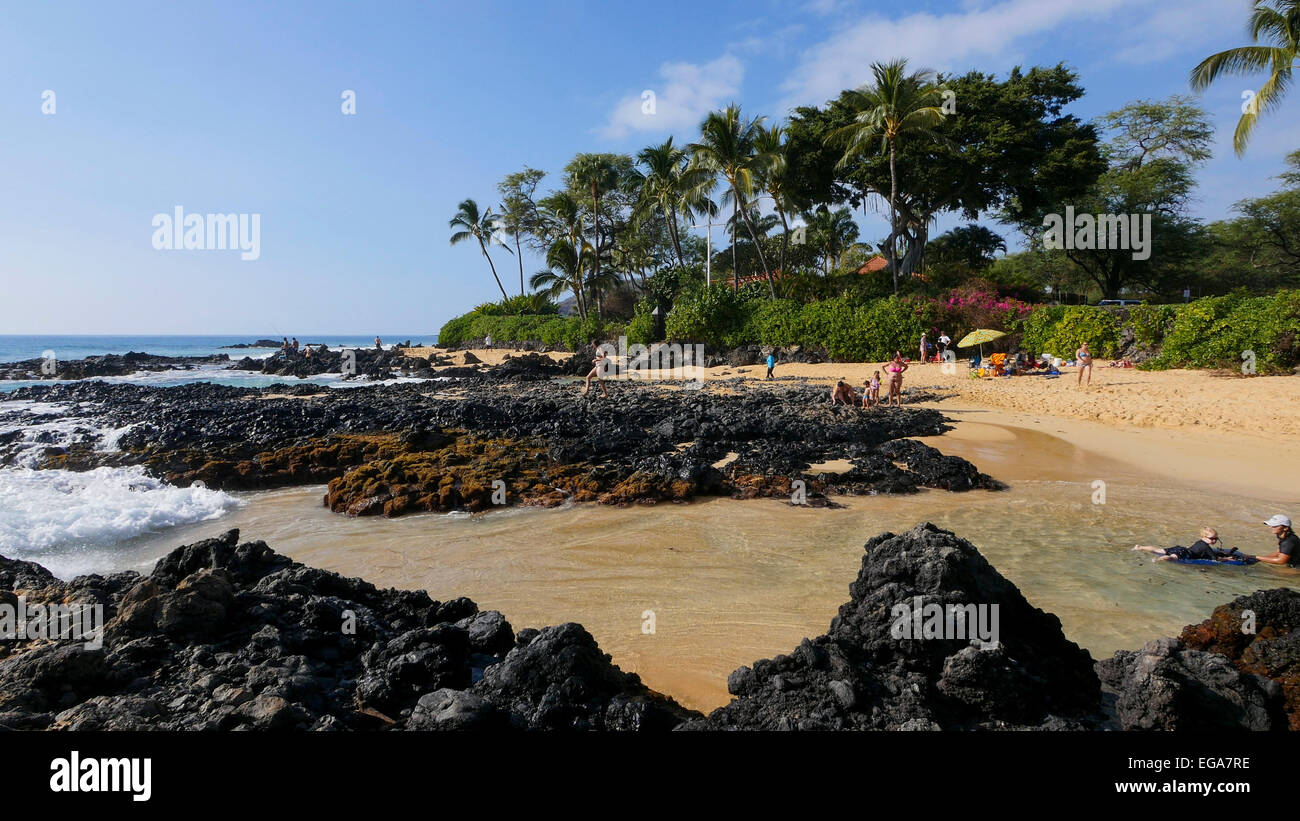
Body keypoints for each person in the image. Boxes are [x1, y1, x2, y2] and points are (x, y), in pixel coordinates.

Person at [1133, 527, 1233, 562]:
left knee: (1158, 550)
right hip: (1184, 553)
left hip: (1180, 548)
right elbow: (1215, 559)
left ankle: (1140, 547)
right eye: (1212, 539)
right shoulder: (1206, 547)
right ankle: (1158, 559)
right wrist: (1227, 559)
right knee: (1171, 557)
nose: (1214, 541)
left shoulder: (1200, 542)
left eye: (1216, 539)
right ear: (1203, 537)